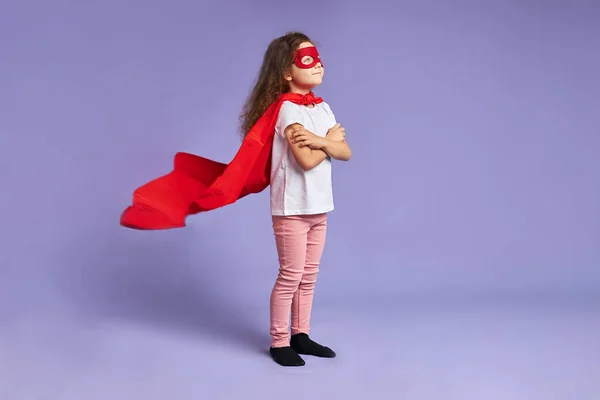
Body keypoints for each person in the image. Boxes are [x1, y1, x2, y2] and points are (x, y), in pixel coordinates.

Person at [239, 32, 352, 367]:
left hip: (320, 205)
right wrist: (327, 141)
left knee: (309, 275)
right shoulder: (287, 111)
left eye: (318, 58)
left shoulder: (323, 108)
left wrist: (322, 140)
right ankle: (278, 341)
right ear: (287, 72)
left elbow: (345, 152)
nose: (317, 64)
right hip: (292, 208)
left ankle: (300, 334)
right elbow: (306, 160)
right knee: (291, 274)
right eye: (307, 59)